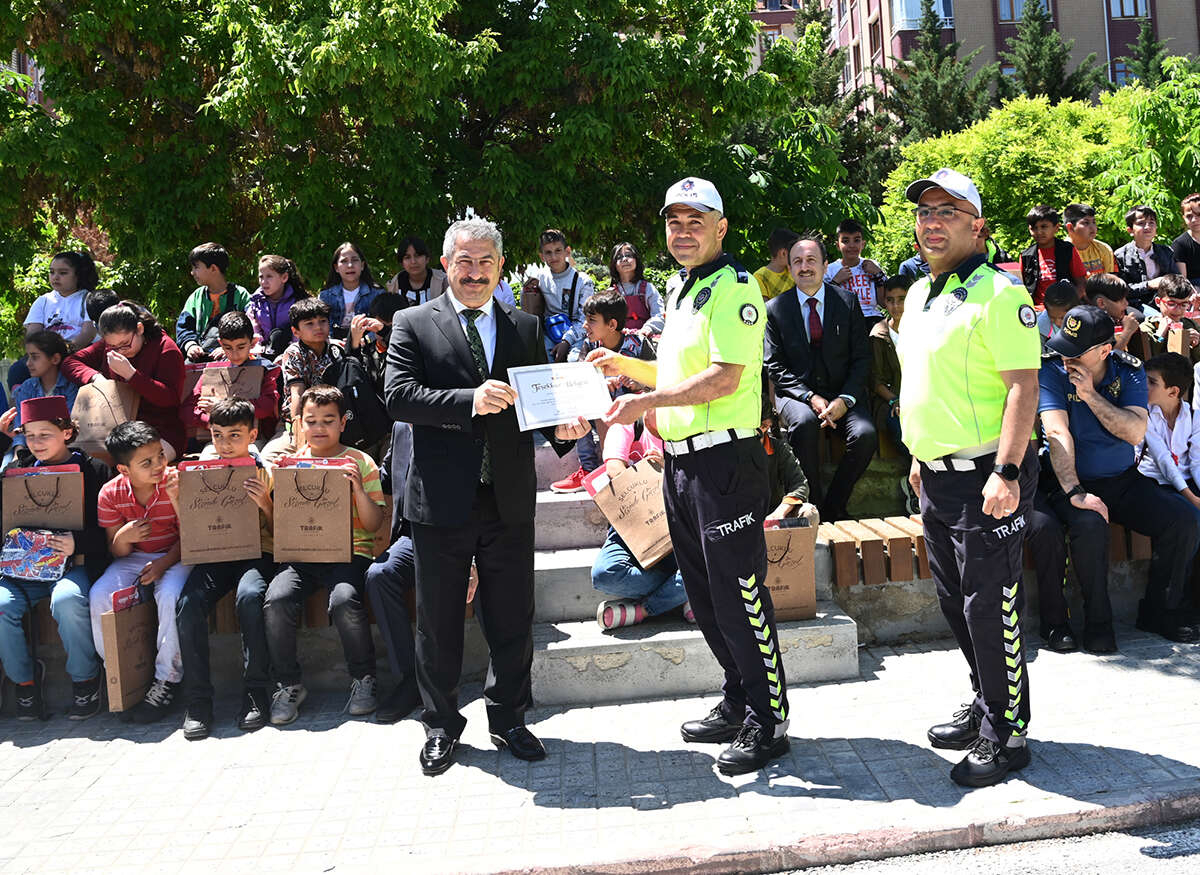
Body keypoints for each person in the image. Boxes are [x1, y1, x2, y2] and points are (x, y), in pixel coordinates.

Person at [588, 177, 790, 776]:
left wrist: (642, 406)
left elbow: (726, 378)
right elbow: (676, 372)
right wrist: (621, 365)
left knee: (739, 594)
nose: (682, 232)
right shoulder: (682, 289)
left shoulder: (735, 287)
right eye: (674, 222)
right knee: (704, 593)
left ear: (721, 228)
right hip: (680, 461)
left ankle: (769, 719)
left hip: (726, 462)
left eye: (695, 221)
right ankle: (737, 697)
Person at [385, 217, 587, 776]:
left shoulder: (524, 324)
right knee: (440, 620)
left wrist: (560, 432)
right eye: (464, 262)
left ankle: (509, 717)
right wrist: (468, 400)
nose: (475, 273)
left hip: (509, 498)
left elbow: (533, 401)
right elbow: (398, 397)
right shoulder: (411, 323)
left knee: (511, 617)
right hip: (442, 500)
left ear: (501, 267)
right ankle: (441, 725)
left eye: (486, 263)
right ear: (446, 265)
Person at [896, 168, 1042, 787]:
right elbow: (927, 385)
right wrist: (919, 454)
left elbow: (1023, 388)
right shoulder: (920, 293)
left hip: (990, 474)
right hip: (939, 476)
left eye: (947, 211)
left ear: (977, 224)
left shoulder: (1001, 293)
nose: (932, 221)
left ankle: (1007, 737)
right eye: (925, 211)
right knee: (956, 602)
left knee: (992, 605)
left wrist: (1007, 471)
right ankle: (988, 701)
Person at [1036, 307, 1200, 645]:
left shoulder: (1131, 371)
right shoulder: (1052, 370)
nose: (1066, 356)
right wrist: (1075, 491)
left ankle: (1158, 612)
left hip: (1122, 480)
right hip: (1068, 481)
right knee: (1090, 524)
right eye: (1064, 345)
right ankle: (1098, 625)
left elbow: (1134, 431)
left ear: (1103, 351)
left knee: (1185, 519)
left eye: (1075, 350)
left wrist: (1090, 396)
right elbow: (1056, 432)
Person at [264, 385, 385, 724]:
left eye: (328, 420)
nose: (319, 428)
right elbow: (279, 527)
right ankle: (287, 683)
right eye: (311, 420)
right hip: (301, 555)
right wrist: (270, 493)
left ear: (343, 423)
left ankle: (364, 678)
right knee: (277, 599)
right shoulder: (289, 465)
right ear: (298, 422)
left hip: (350, 553)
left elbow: (375, 523)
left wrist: (357, 489)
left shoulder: (360, 461)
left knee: (345, 600)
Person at [168, 398, 275, 740]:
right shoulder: (202, 465)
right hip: (215, 553)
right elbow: (193, 527)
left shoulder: (264, 469)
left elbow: (281, 530)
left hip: (257, 553)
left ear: (252, 434)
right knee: (187, 605)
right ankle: (198, 701)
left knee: (249, 596)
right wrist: (175, 497)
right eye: (217, 435)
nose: (225, 444)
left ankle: (255, 691)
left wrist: (266, 503)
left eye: (234, 435)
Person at [0, 396, 109, 720]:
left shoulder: (94, 470)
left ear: (65, 432)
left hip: (73, 567)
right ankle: (24, 683)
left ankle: (85, 679)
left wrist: (77, 542)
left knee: (66, 600)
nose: (36, 443)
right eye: (29, 435)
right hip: (22, 571)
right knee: (1, 605)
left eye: (44, 434)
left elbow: (110, 532)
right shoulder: (17, 470)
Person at [766, 234, 877, 524]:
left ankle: (833, 505)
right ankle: (811, 504)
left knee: (865, 434)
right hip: (796, 395)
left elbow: (862, 359)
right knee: (803, 424)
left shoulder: (847, 302)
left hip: (843, 394)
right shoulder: (775, 310)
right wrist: (810, 397)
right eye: (797, 262)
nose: (804, 267)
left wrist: (845, 399)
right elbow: (774, 366)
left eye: (811, 260)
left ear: (826, 265)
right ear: (789, 268)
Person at [90, 421, 189, 723]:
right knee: (100, 595)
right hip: (135, 557)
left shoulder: (176, 481)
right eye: (146, 462)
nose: (159, 465)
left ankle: (167, 678)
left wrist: (163, 564)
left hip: (180, 553)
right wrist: (123, 537)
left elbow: (195, 538)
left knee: (170, 594)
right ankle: (120, 674)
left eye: (160, 455)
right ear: (124, 470)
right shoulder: (110, 494)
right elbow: (117, 551)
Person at [590, 414, 690, 630]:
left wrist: (667, 470)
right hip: (636, 524)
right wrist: (646, 473)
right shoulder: (630, 420)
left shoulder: (690, 420)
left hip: (681, 523)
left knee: (701, 567)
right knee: (605, 575)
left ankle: (644, 609)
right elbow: (614, 469)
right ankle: (680, 593)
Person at [551, 289, 655, 494]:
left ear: (612, 325)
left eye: (591, 320)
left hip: (636, 415)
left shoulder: (638, 344)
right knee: (585, 405)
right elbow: (581, 382)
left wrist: (637, 383)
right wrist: (600, 385)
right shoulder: (589, 347)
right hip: (604, 412)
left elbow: (657, 382)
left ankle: (629, 459)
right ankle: (589, 468)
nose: (584, 325)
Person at [62, 301, 186, 461]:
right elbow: (70, 363)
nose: (120, 351)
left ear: (139, 329)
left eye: (125, 344)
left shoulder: (166, 348)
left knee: (136, 464)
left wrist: (132, 375)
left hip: (160, 432)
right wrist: (96, 378)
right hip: (114, 431)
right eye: (113, 346)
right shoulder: (110, 346)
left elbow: (171, 398)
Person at [363, 421, 421, 724]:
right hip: (412, 537)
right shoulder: (401, 427)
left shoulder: (457, 413)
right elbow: (383, 479)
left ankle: (504, 679)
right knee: (380, 574)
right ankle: (409, 680)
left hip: (460, 533)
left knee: (484, 567)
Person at [260, 297, 344, 463]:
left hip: (334, 425)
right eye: (309, 323)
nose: (318, 327)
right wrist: (301, 438)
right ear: (296, 331)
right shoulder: (293, 353)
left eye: (322, 321)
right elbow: (296, 394)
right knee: (267, 460)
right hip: (298, 424)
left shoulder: (337, 350)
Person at [183, 312, 281, 448]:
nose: (234, 354)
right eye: (228, 347)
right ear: (220, 344)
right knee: (207, 461)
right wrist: (212, 421)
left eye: (241, 347)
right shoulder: (213, 370)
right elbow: (187, 410)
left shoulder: (265, 369)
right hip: (217, 441)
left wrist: (220, 408)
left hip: (253, 440)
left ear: (253, 343)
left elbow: (266, 407)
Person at [10, 251, 101, 392]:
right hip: (46, 356)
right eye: (52, 272)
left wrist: (62, 354)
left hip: (76, 354)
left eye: (63, 273)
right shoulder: (43, 301)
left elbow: (88, 333)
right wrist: (45, 356)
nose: (55, 277)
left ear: (78, 275)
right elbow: (33, 335)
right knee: (17, 371)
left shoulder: (89, 299)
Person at [869, 276, 913, 510]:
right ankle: (914, 482)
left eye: (902, 300)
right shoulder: (879, 334)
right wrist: (896, 399)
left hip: (921, 396)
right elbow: (875, 380)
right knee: (900, 424)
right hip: (890, 400)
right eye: (890, 300)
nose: (896, 306)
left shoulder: (922, 329)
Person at [522, 229, 596, 359]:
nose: (554, 257)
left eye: (558, 251)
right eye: (548, 253)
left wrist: (566, 341)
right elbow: (529, 312)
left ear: (567, 251)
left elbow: (585, 320)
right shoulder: (538, 278)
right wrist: (527, 291)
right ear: (542, 256)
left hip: (576, 334)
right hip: (548, 334)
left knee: (574, 362)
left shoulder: (584, 281)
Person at [1139, 353, 1200, 508]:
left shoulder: (1194, 417)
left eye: (1152, 382)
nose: (1144, 385)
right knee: (1188, 515)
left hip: (1185, 480)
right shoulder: (1144, 413)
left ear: (1173, 392)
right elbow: (1162, 458)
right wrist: (1192, 499)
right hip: (1154, 480)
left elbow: (1196, 462)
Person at [3, 331, 79, 453]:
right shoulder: (27, 388)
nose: (28, 363)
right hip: (30, 449)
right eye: (28, 357)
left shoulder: (71, 387)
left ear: (55, 359)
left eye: (35, 357)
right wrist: (19, 454)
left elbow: (70, 426)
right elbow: (20, 430)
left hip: (64, 450)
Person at [176, 242, 251, 362]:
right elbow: (184, 327)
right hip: (201, 355)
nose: (192, 272)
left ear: (213, 268)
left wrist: (228, 349)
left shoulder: (241, 295)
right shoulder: (196, 297)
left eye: (196, 267)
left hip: (232, 356)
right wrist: (190, 345)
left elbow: (252, 326)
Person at [1114, 205, 1181, 309]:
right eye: (1141, 223)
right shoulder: (1120, 255)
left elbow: (1177, 280)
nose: (1148, 227)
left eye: (1151, 223)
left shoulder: (1166, 252)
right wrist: (1148, 285)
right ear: (1130, 230)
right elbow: (1121, 290)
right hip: (1136, 303)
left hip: (1166, 301)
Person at [1020, 205, 1086, 307]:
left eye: (1044, 227)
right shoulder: (1026, 256)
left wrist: (1068, 304)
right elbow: (1020, 287)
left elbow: (1081, 284)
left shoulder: (1067, 250)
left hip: (1065, 308)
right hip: (1036, 310)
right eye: (1034, 228)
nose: (1039, 232)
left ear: (1056, 228)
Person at [825, 218, 886, 327]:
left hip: (872, 317)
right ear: (838, 245)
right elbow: (825, 304)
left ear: (863, 244)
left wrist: (878, 274)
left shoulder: (872, 265)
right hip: (844, 318)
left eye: (856, 240)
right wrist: (835, 282)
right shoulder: (830, 270)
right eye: (846, 241)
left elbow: (883, 303)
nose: (852, 245)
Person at [319, 242, 386, 339]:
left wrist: (364, 341)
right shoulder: (326, 296)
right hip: (334, 345)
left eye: (354, 260)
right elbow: (323, 327)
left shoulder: (377, 293)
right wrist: (332, 343)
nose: (350, 265)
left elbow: (382, 325)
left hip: (368, 345)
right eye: (344, 261)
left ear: (362, 265)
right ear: (336, 268)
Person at [247, 254, 307, 358]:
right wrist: (258, 347)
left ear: (284, 277)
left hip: (293, 353)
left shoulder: (298, 301)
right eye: (261, 277)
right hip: (264, 353)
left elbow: (300, 332)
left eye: (269, 276)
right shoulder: (255, 303)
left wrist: (291, 352)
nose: (263, 282)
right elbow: (254, 330)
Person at [348, 292, 404, 396]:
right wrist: (354, 343)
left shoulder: (411, 348)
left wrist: (384, 331)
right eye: (380, 324)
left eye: (391, 326)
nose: (381, 330)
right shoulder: (368, 350)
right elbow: (354, 374)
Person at [1085, 273, 1149, 360]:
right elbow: (1107, 360)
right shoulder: (1094, 325)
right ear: (1101, 303)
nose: (1126, 304)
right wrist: (1127, 332)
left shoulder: (1109, 318)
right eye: (1121, 300)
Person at [1143, 274, 1200, 365]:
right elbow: (1147, 362)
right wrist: (1159, 336)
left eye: (1183, 304)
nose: (1177, 310)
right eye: (1171, 304)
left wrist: (1196, 345)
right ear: (1158, 302)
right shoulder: (1147, 328)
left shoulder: (1190, 325)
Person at [608, 241, 664, 333]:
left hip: (646, 339)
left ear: (636, 260)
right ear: (614, 265)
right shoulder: (610, 293)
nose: (625, 259)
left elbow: (659, 314)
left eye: (629, 255)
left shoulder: (648, 289)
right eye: (619, 257)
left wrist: (647, 329)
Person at [387, 235, 449, 307]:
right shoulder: (395, 284)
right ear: (402, 263)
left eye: (417, 256)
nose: (413, 261)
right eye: (407, 257)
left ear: (427, 259)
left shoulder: (443, 281)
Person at [1064, 204, 1116, 278]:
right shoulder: (1062, 252)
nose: (1093, 227)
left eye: (1094, 222)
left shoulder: (1104, 249)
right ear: (1070, 227)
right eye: (1086, 223)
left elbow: (1110, 280)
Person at [752, 228, 800, 302]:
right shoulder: (760, 276)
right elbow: (764, 307)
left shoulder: (793, 271)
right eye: (795, 251)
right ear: (783, 253)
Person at [1036, 279, 1082, 344]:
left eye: (1062, 318)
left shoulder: (1085, 322)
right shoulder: (1040, 328)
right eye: (1052, 317)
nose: (1058, 323)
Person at [1172, 194, 1200, 286]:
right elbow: (1183, 281)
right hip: (1194, 290)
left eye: (1199, 214)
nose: (1194, 220)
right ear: (1183, 218)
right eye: (1189, 216)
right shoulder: (1180, 244)